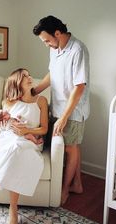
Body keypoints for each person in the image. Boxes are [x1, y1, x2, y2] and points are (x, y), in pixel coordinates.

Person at [0, 68, 48, 224]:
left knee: (19, 147)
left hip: (31, 140)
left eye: (29, 75)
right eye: (25, 77)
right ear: (17, 82)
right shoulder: (7, 102)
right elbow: (0, 123)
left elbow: (44, 129)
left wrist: (27, 132)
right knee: (15, 147)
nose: (29, 78)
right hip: (9, 139)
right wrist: (2, 124)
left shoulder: (41, 101)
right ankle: (13, 209)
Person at [32, 15, 90, 205]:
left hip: (72, 110)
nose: (46, 44)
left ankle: (64, 190)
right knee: (73, 147)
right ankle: (77, 184)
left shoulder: (78, 49)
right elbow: (52, 73)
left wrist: (64, 117)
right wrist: (35, 90)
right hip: (56, 106)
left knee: (70, 148)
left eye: (47, 40)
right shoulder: (54, 48)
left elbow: (79, 86)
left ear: (58, 33)